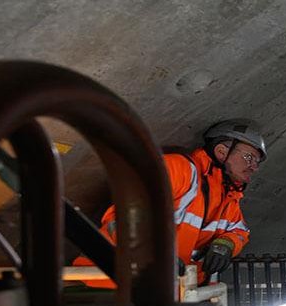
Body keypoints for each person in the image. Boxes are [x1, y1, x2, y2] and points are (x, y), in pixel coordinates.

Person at [81, 119, 266, 286]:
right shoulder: (177, 169)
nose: (254, 167)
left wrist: (226, 245)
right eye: (249, 157)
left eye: (257, 162)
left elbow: (239, 231)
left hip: (169, 289)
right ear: (221, 151)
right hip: (112, 283)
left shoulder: (228, 197)